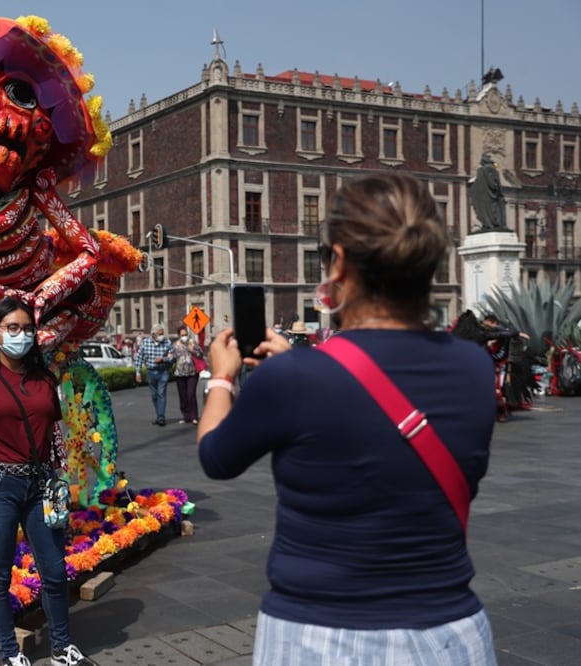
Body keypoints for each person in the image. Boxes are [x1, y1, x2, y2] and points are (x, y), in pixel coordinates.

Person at [197, 173, 497, 664]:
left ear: (338, 262)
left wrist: (222, 378)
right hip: (450, 634)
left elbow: (215, 455)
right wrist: (302, 369)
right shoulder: (475, 368)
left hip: (322, 637)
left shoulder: (293, 379)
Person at [0, 298, 95, 666]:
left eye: (27, 328)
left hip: (41, 484)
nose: (21, 335)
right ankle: (10, 653)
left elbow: (52, 431)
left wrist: (58, 477)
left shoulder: (43, 377)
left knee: (55, 570)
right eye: (12, 328)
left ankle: (62, 647)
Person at [133, 323, 174, 426]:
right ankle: (159, 415)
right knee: (154, 395)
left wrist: (163, 359)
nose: (161, 336)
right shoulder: (145, 343)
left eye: (162, 333)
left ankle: (161, 417)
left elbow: (172, 357)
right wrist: (138, 372)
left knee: (161, 393)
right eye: (160, 334)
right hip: (150, 372)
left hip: (163, 371)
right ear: (153, 334)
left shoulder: (167, 342)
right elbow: (139, 357)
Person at [171, 326, 202, 425]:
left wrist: (193, 351)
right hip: (180, 373)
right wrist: (169, 357)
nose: (184, 337)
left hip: (192, 372)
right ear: (178, 335)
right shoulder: (175, 345)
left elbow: (200, 354)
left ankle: (194, 417)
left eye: (185, 334)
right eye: (182, 335)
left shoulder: (192, 342)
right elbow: (172, 357)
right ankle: (186, 416)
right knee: (183, 396)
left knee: (191, 394)